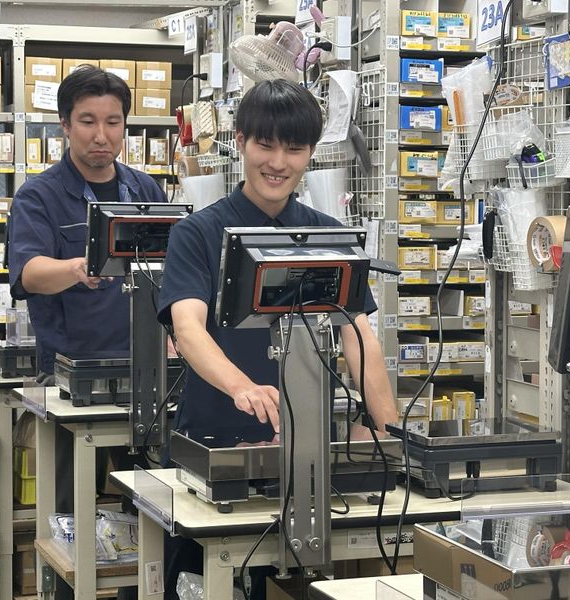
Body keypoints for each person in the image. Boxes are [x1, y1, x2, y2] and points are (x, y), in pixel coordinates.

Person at [157, 79, 397, 599]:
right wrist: (242, 386)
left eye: (294, 148)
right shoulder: (198, 234)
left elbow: (359, 336)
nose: (278, 162)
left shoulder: (327, 236)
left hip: (305, 460)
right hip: (215, 451)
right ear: (240, 141)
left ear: (310, 153)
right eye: (265, 145)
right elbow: (188, 329)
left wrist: (390, 438)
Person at [8, 65, 166, 600]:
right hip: (70, 380)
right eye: (87, 121)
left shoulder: (144, 189)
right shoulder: (39, 196)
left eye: (113, 122)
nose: (101, 135)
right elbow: (29, 273)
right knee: (66, 514)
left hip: (145, 374)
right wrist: (77, 267)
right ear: (64, 125)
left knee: (151, 505)